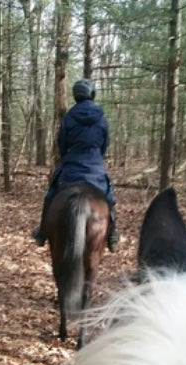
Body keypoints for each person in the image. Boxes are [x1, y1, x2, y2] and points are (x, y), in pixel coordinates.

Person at [32, 78, 119, 252]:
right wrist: (96, 156)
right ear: (91, 94)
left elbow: (61, 143)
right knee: (109, 197)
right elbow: (105, 144)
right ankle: (112, 236)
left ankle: (42, 232)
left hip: (71, 166)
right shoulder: (101, 118)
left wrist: (68, 156)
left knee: (51, 195)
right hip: (95, 166)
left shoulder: (69, 117)